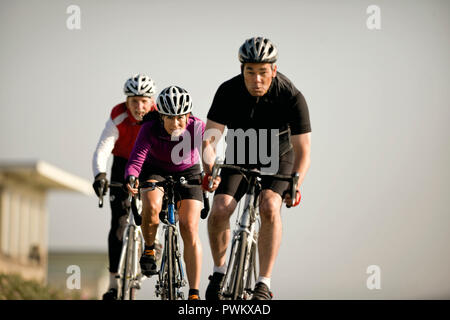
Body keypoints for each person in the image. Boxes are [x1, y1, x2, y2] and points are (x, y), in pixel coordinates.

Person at [202, 37, 312, 300]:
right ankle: (219, 272)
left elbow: (303, 149)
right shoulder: (228, 91)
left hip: (279, 156)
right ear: (242, 70)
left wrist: (296, 183)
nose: (257, 79)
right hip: (241, 154)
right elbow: (211, 137)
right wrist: (209, 168)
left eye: (263, 72)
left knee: (270, 207)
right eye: (250, 71)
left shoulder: (291, 95)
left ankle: (263, 282)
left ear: (273, 70)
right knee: (219, 210)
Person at [125, 86, 205, 300]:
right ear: (161, 116)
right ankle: (150, 248)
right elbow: (136, 158)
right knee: (151, 206)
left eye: (180, 117)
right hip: (155, 170)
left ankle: (194, 293)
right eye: (170, 118)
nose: (176, 123)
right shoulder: (150, 128)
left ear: (188, 115)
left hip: (188, 171)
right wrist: (132, 176)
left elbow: (210, 154)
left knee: (189, 226)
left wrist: (212, 174)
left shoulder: (197, 127)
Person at [92, 73, 157, 300]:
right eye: (134, 101)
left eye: (144, 100)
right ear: (126, 101)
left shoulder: (159, 117)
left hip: (149, 165)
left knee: (153, 209)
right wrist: (99, 174)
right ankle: (112, 284)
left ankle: (153, 242)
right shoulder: (118, 115)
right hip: (122, 164)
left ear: (152, 101)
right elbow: (102, 148)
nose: (139, 106)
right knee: (119, 223)